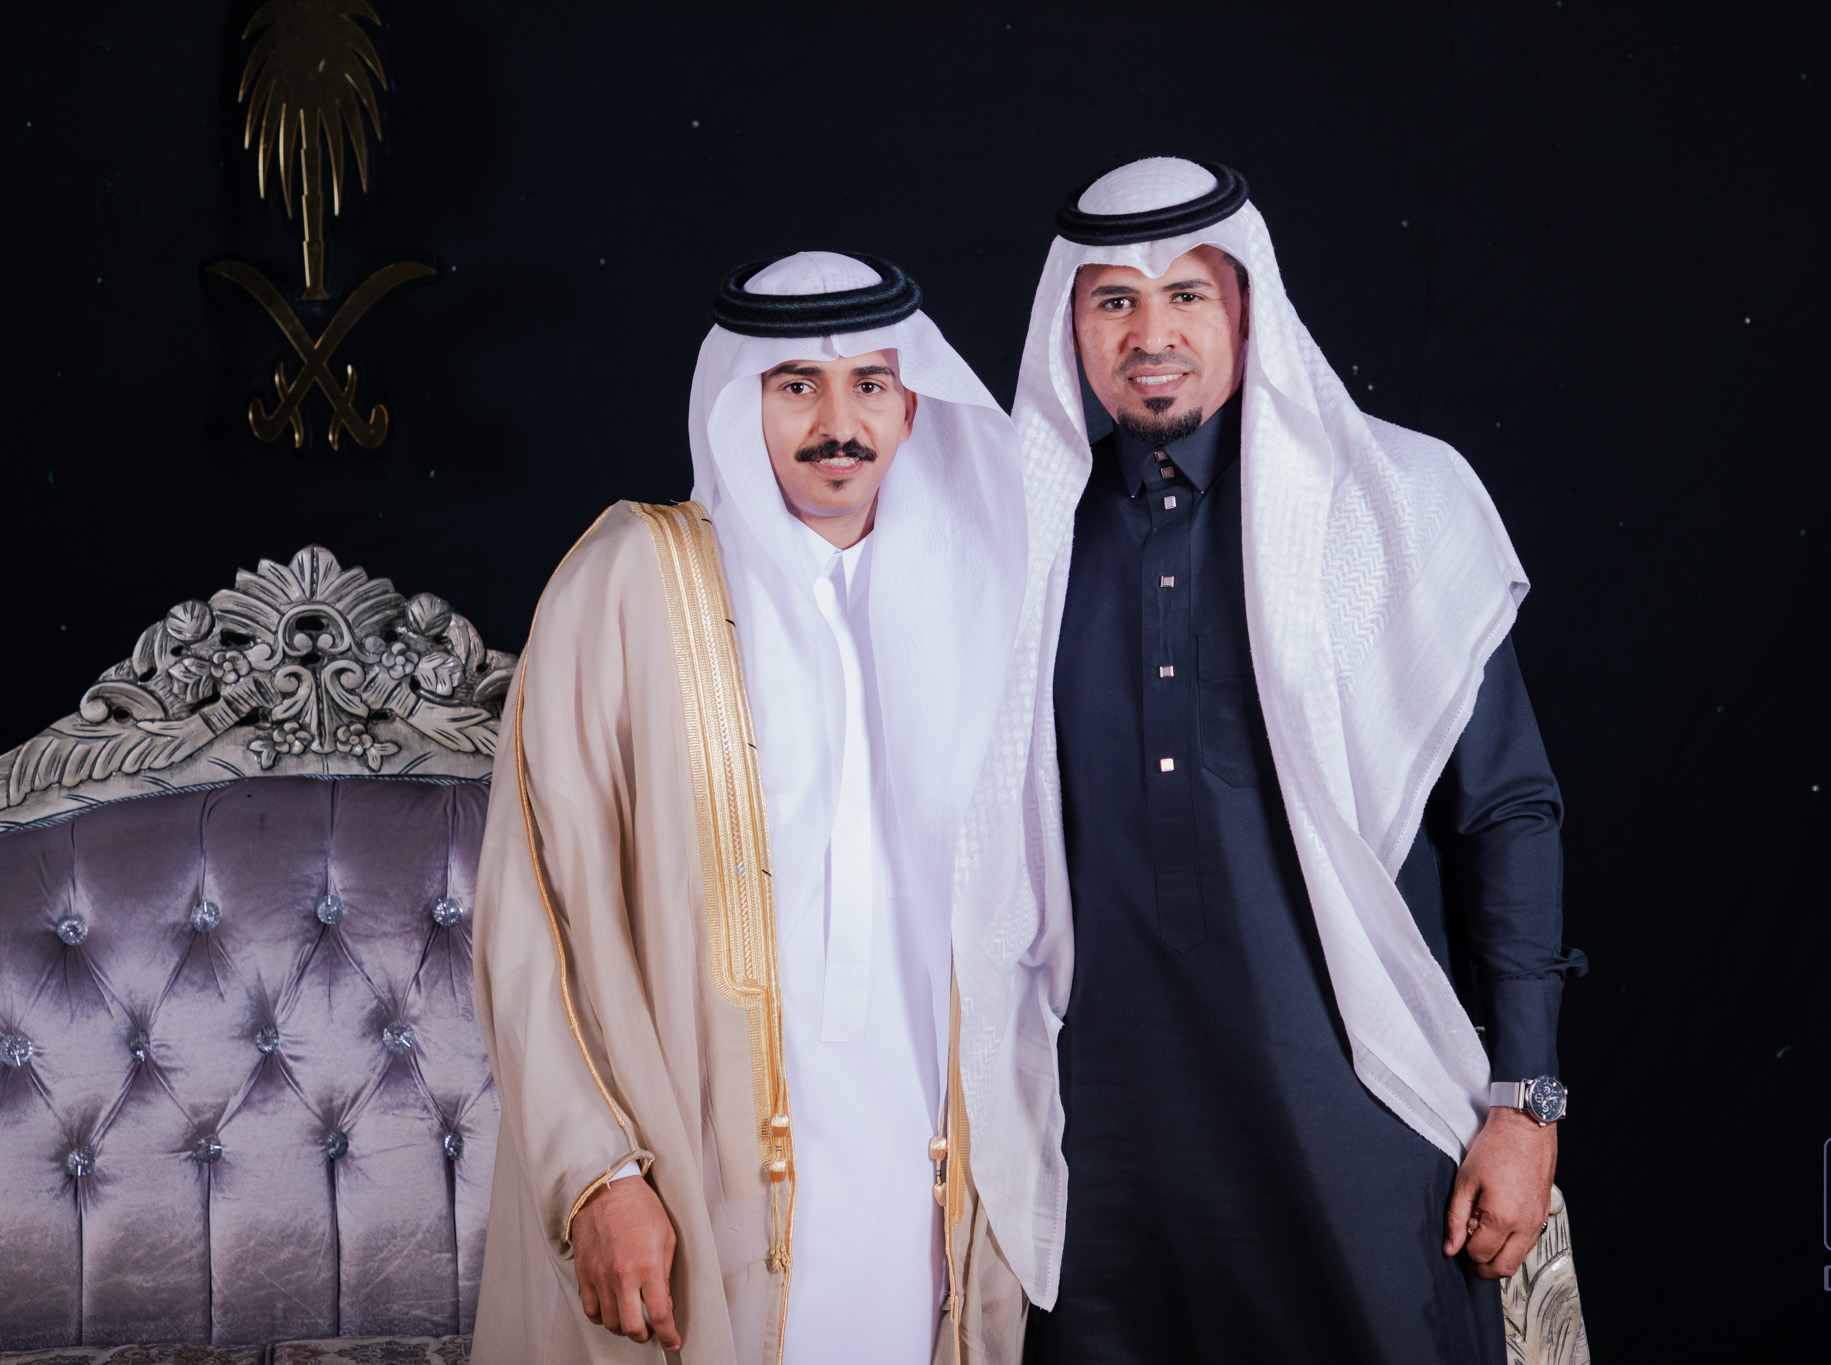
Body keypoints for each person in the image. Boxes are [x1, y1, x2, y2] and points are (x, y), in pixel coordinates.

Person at [977, 157, 1588, 1362]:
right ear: (1070, 327)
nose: (1150, 335)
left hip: (1357, 1131)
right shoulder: (1013, 544)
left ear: (1248, 307)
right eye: (1113, 301)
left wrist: (1525, 1101)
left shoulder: (1392, 505)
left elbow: (1507, 810)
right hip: (1098, 1168)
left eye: (1186, 295)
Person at [471, 252, 1031, 1363]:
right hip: (695, 1167)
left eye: (869, 385)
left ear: (911, 406)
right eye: (797, 387)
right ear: (741, 403)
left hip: (925, 1172)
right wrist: (598, 1173)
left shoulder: (980, 605)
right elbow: (531, 905)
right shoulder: (631, 583)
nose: (838, 425)